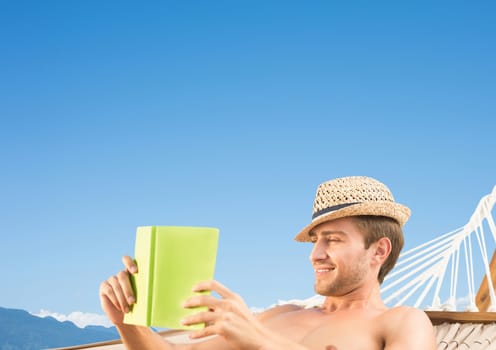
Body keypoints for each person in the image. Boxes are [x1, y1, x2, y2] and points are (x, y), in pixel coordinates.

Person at [100, 176, 437, 350]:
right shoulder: (280, 316)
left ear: (378, 251)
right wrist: (127, 319)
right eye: (315, 240)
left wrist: (260, 342)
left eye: (332, 240)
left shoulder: (401, 322)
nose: (315, 253)